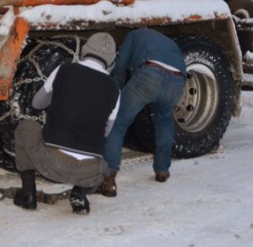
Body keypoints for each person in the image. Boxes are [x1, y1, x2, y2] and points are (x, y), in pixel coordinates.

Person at [13, 33, 120, 214]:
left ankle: (28, 194)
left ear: (85, 50)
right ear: (110, 60)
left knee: (25, 126)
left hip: (53, 164)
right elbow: (106, 132)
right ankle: (79, 193)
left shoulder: (64, 70)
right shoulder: (115, 89)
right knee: (97, 155)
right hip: (89, 173)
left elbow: (36, 104)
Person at [99, 28, 186, 197]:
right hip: (178, 79)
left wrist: (117, 92)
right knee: (164, 121)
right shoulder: (166, 41)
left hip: (151, 73)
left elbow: (121, 65)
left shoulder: (133, 35)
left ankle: (109, 176)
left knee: (119, 122)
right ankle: (162, 170)